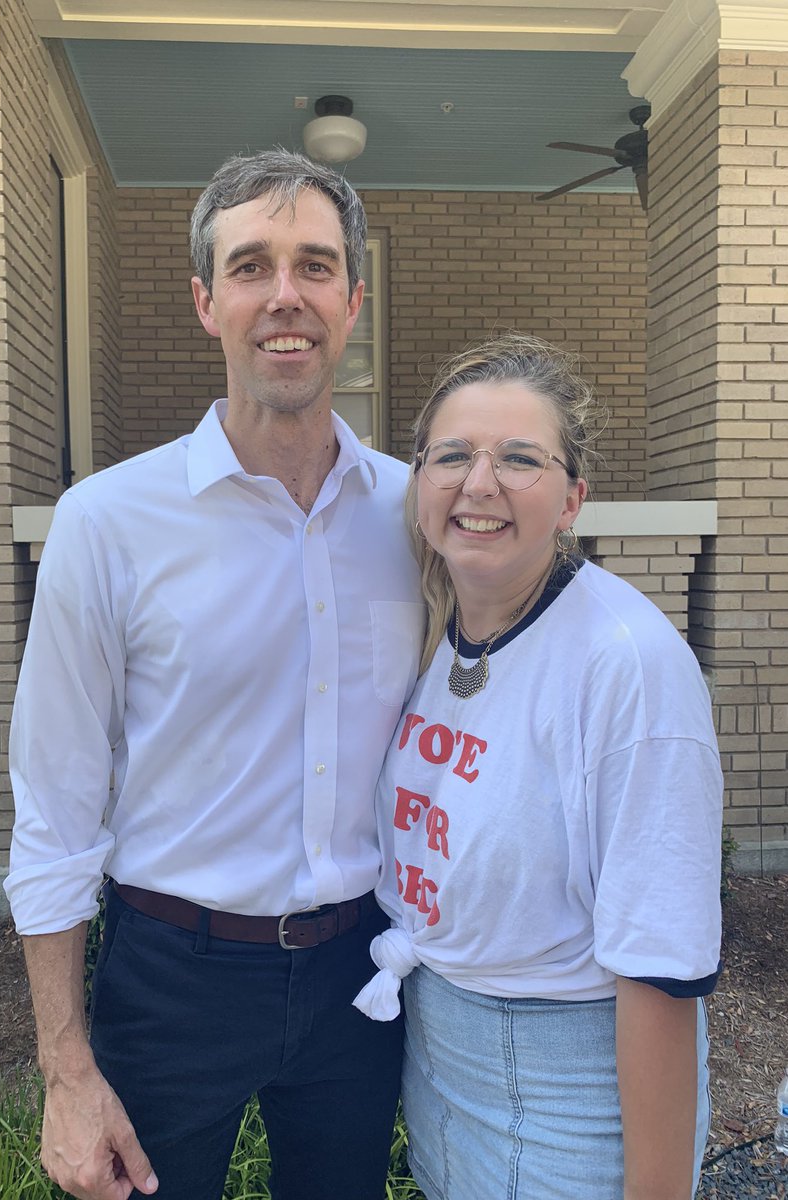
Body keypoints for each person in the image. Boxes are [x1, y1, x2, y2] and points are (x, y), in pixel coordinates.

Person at [4, 149, 424, 1200]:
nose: (286, 295)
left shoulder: (416, 517)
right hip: (171, 975)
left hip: (358, 974)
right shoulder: (107, 524)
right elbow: (54, 809)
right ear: (206, 300)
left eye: (316, 265)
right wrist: (65, 1068)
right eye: (252, 266)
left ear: (353, 298)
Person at [353, 332, 723, 1200]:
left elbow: (662, 965)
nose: (480, 484)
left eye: (520, 458)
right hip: (439, 1058)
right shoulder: (444, 630)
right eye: (453, 455)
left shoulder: (625, 663)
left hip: (568, 1091)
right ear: (418, 484)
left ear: (572, 499)